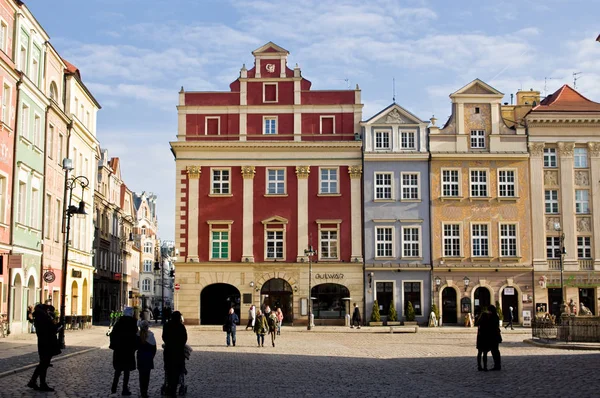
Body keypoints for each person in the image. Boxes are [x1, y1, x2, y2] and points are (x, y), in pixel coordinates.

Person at [27, 304, 61, 392]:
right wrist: (59, 325)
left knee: (43, 364)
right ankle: (40, 383)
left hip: (42, 343)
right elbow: (51, 329)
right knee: (44, 364)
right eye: (47, 310)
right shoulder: (44, 318)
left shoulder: (39, 317)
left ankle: (34, 381)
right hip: (47, 343)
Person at [110, 307, 138, 395]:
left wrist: (114, 346)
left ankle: (114, 388)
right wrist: (135, 347)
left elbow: (112, 335)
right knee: (126, 371)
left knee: (118, 370)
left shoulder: (118, 323)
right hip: (128, 351)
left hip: (119, 350)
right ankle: (124, 389)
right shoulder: (133, 323)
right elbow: (136, 337)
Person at [162, 311, 187, 397]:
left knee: (169, 371)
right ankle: (173, 390)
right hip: (178, 353)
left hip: (168, 352)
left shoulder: (167, 325)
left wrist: (168, 343)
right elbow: (185, 338)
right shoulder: (181, 326)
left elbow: (164, 337)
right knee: (176, 372)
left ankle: (169, 388)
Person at [136, 320, 157, 398]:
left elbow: (135, 347)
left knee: (141, 376)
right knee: (147, 376)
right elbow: (154, 349)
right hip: (148, 357)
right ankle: (145, 392)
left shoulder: (138, 335)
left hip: (140, 357)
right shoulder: (151, 335)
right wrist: (152, 356)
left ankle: (142, 391)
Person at [487, 305, 502, 371]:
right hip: (496, 336)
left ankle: (497, 365)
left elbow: (491, 326)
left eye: (489, 310)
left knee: (495, 351)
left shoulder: (493, 317)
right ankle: (497, 364)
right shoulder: (495, 316)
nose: (488, 312)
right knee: (495, 350)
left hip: (493, 336)